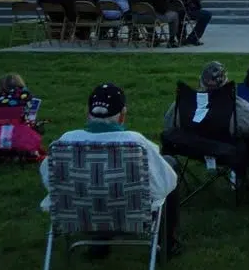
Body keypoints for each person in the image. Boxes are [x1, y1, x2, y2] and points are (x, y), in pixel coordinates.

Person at [41, 83, 181, 255]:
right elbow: (166, 184)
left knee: (96, 191)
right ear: (122, 115)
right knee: (170, 164)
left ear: (88, 114)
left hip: (80, 218)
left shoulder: (65, 142)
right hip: (131, 217)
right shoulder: (136, 143)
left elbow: (51, 181)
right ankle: (168, 245)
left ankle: (99, 243)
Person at [163, 61, 249, 138]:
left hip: (191, 144)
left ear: (201, 80)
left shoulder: (185, 101)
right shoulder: (237, 105)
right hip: (225, 146)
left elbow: (169, 124)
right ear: (226, 80)